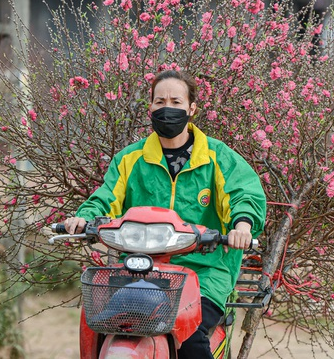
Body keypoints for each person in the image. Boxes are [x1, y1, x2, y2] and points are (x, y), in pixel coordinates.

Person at [64, 69, 266, 358]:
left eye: (175, 101)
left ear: (191, 109)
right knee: (104, 323)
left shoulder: (218, 157)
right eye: (159, 102)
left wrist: (243, 225)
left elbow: (243, 194)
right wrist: (86, 217)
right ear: (150, 107)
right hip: (141, 268)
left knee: (191, 334)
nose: (167, 109)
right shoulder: (131, 159)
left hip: (205, 271)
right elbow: (107, 197)